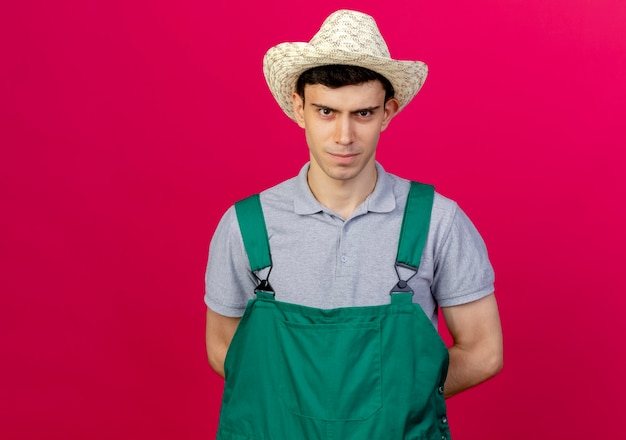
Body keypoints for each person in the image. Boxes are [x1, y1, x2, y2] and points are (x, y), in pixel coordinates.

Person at [205, 9, 502, 439]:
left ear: (387, 112)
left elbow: (484, 351)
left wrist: (402, 398)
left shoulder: (438, 221)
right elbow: (222, 346)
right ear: (299, 107)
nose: (344, 136)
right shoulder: (246, 223)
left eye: (362, 114)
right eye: (326, 111)